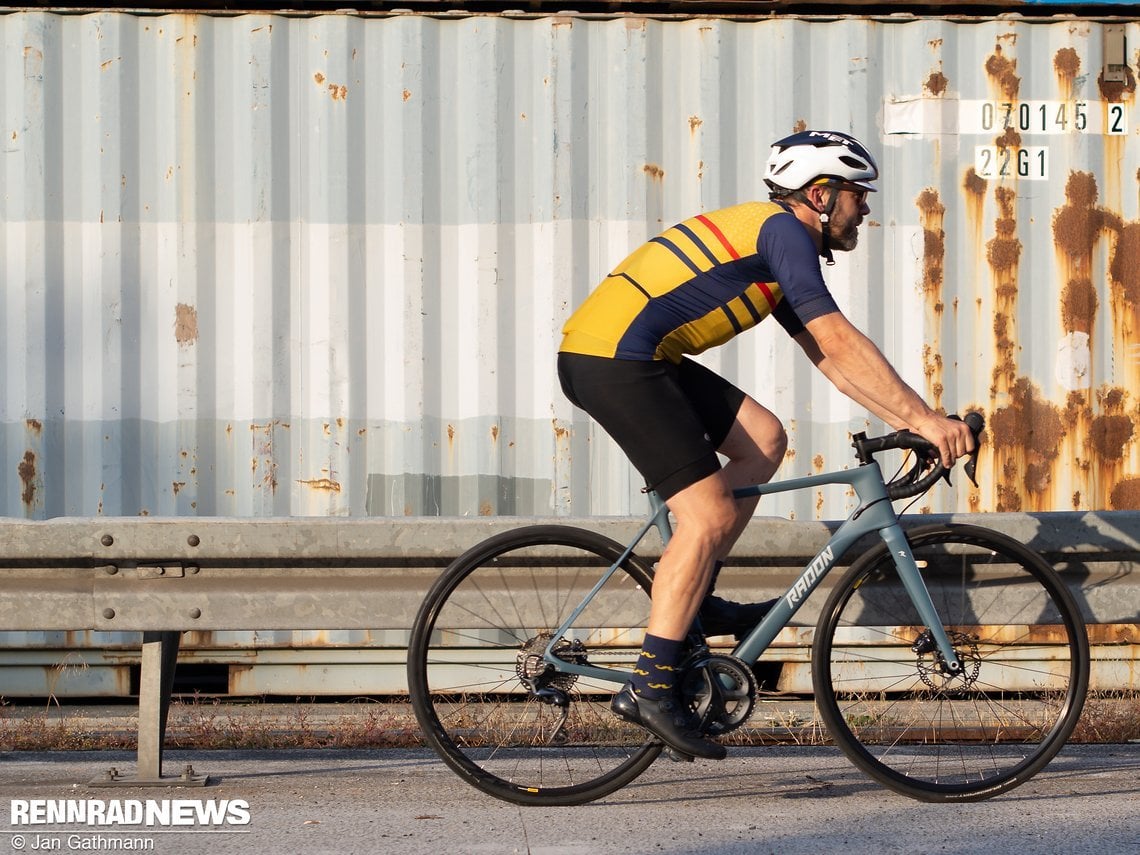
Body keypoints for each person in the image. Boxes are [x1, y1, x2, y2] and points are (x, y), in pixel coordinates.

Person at [556, 129, 975, 760]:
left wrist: (918, 420)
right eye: (859, 194)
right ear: (821, 195)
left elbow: (828, 360)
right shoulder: (782, 233)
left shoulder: (779, 245)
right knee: (710, 512)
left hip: (638, 355)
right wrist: (925, 418)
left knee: (765, 437)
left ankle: (691, 602)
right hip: (614, 360)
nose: (867, 208)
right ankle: (650, 684)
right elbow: (837, 339)